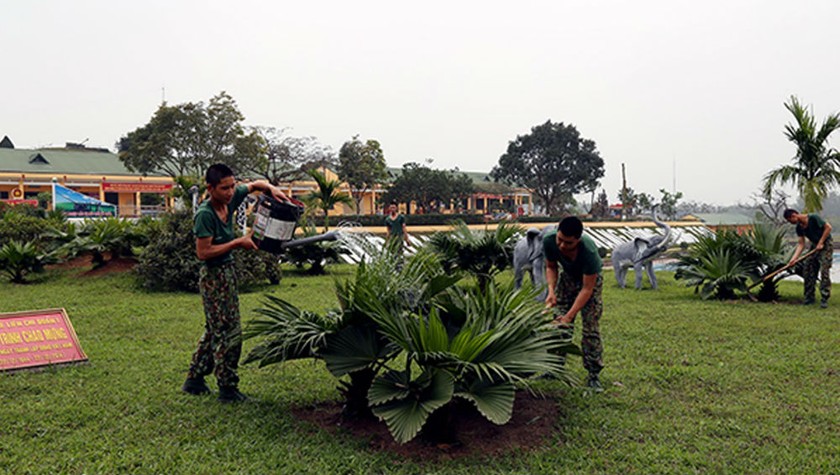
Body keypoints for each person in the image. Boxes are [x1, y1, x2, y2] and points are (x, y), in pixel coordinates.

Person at [181, 164, 289, 403]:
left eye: (232, 186)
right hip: (213, 277)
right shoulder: (205, 214)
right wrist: (238, 243)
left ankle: (194, 379)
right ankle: (228, 389)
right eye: (224, 188)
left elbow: (255, 185)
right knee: (228, 333)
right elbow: (203, 252)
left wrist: (271, 189)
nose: (231, 192)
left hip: (227, 272)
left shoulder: (230, 199)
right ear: (210, 188)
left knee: (214, 329)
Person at [544, 216, 605, 392]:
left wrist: (570, 316)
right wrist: (551, 291)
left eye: (568, 243)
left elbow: (587, 289)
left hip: (589, 284)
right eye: (560, 240)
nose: (562, 246)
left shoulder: (589, 252)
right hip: (567, 279)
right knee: (558, 325)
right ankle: (554, 368)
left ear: (577, 240)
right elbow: (551, 267)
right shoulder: (549, 241)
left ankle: (593, 374)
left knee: (590, 329)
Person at [783, 208, 833, 308]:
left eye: (790, 220)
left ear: (794, 215)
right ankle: (809, 297)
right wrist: (794, 259)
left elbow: (828, 227)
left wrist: (821, 242)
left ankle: (824, 298)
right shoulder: (799, 228)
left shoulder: (813, 218)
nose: (790, 222)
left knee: (824, 270)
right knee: (808, 268)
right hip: (815, 245)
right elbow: (801, 244)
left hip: (826, 244)